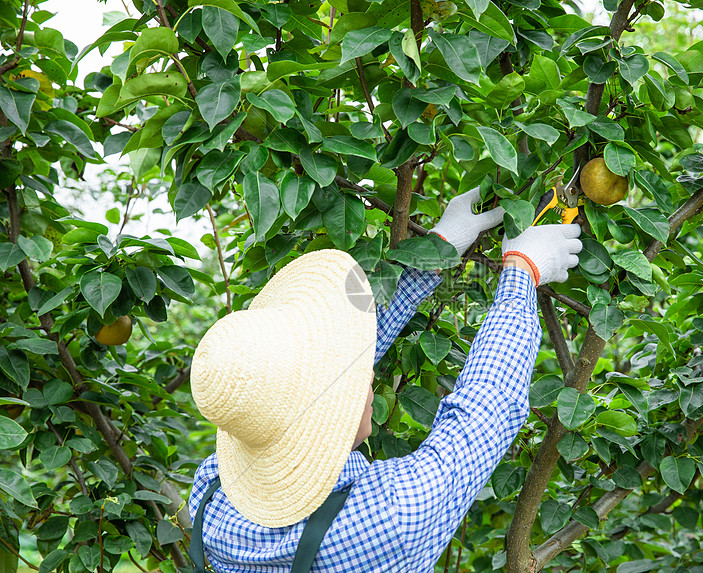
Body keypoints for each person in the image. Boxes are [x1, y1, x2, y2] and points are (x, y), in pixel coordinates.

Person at [187, 187, 583, 572]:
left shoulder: (211, 488)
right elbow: (484, 413)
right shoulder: (389, 516)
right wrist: (521, 272)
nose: (368, 370)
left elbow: (341, 359)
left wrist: (440, 250)